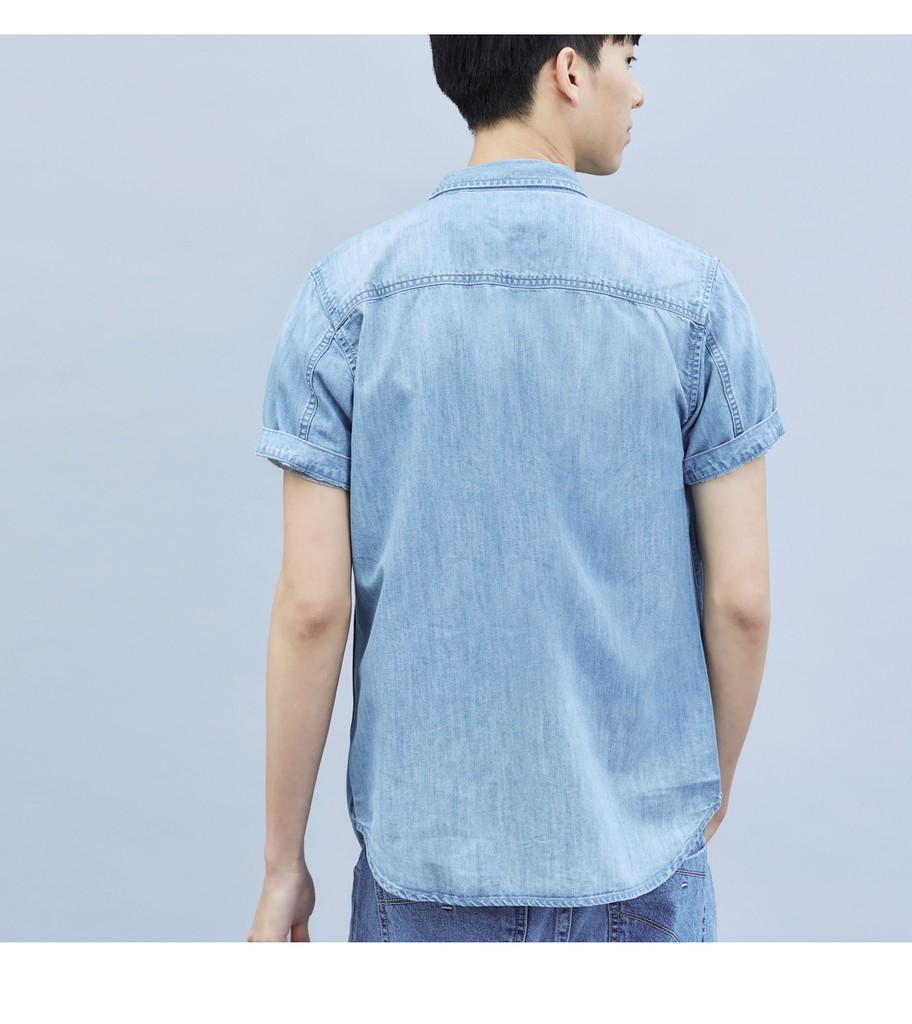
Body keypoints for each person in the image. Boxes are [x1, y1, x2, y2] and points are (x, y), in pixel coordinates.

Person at [247, 34, 784, 943]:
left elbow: (310, 607)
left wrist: (281, 869)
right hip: (641, 866)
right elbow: (743, 601)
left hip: (425, 876)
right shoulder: (694, 301)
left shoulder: (345, 301)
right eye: (628, 57)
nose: (638, 92)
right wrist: (697, 802)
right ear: (569, 70)